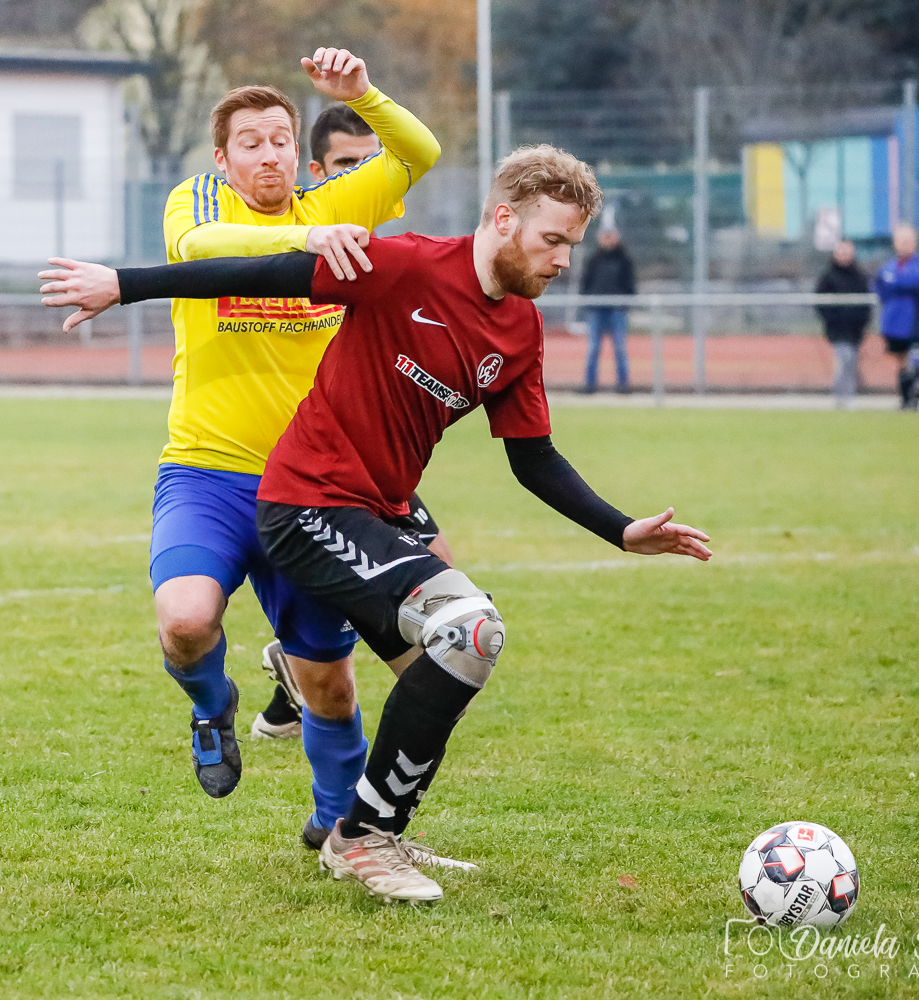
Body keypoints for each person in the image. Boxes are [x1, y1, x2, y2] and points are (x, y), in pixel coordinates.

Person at [40, 144, 712, 902]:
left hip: (378, 513)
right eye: (552, 239)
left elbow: (534, 458)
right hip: (306, 503)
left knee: (459, 655)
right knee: (468, 627)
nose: (562, 260)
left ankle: (366, 826)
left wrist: (621, 529)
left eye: (572, 245)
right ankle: (362, 837)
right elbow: (263, 274)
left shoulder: (519, 330)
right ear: (503, 220)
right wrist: (124, 285)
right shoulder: (407, 265)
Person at [141, 46, 456, 866]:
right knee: (185, 622)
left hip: (315, 489)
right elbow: (200, 247)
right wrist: (311, 235)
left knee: (329, 683)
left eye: (281, 139)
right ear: (223, 159)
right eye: (250, 143)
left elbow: (420, 151)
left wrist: (365, 94)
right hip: (207, 474)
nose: (269, 155)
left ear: (297, 151)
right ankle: (211, 704)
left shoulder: (334, 199)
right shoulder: (198, 202)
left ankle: (336, 826)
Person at [248, 99, 460, 744]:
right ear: (316, 171)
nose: (362, 175)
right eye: (346, 164)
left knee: (440, 579)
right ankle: (299, 675)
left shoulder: (385, 253)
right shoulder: (296, 238)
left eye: (373, 163)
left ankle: (290, 682)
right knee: (366, 605)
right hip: (291, 464)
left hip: (358, 457)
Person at [873, 225, 919, 409]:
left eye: (908, 241)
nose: (905, 244)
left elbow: (913, 281)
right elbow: (880, 285)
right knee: (900, 361)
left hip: (914, 322)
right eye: (901, 241)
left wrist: (895, 280)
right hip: (893, 322)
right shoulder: (889, 265)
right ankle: (905, 400)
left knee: (917, 360)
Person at [578, 227, 635, 393]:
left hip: (617, 310)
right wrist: (589, 300)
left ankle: (623, 385)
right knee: (593, 347)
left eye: (611, 236)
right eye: (605, 236)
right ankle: (590, 385)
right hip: (596, 309)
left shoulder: (624, 260)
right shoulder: (594, 260)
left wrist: (623, 302)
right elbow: (586, 283)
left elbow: (630, 285)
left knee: (620, 347)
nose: (608, 239)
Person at [814, 240, 871, 405]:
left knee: (852, 361)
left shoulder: (860, 276)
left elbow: (866, 302)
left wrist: (863, 322)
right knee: (845, 358)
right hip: (837, 329)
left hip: (855, 329)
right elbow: (820, 302)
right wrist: (832, 319)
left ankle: (849, 395)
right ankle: (841, 397)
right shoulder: (828, 276)